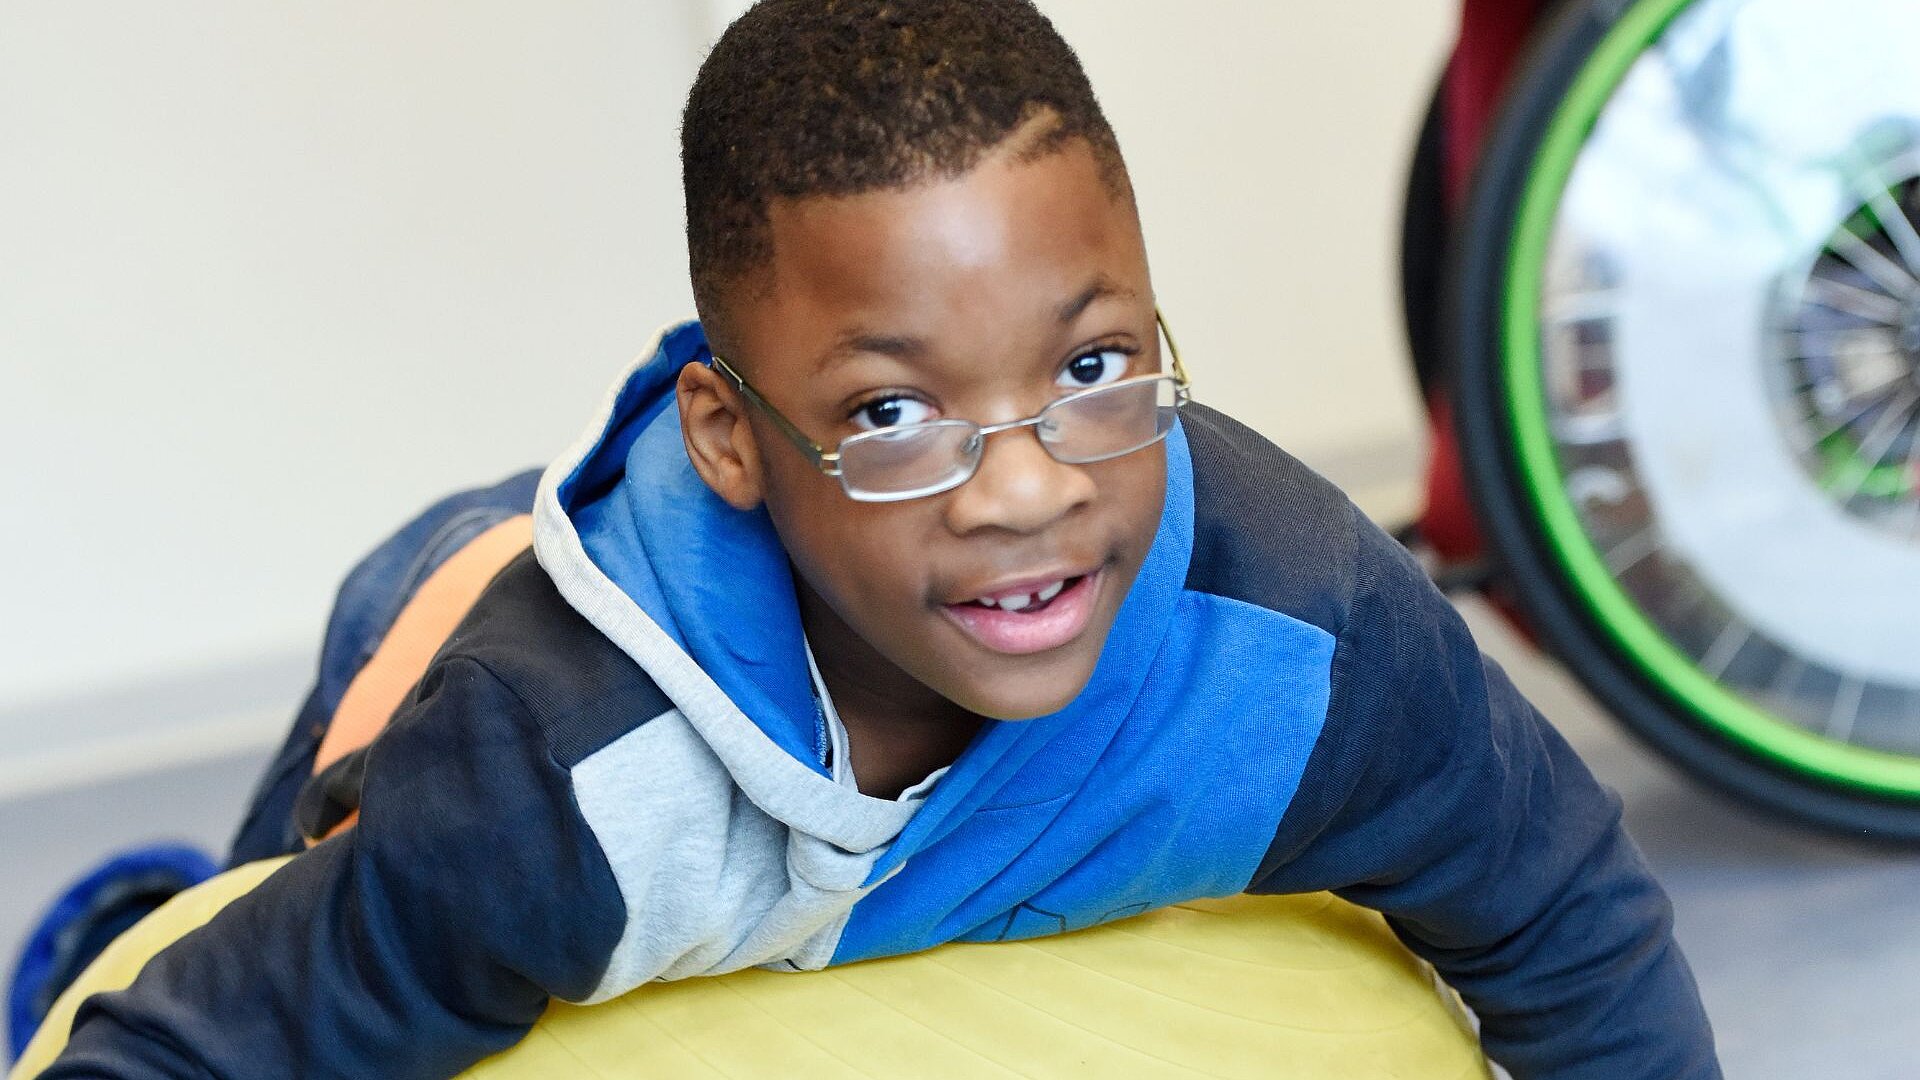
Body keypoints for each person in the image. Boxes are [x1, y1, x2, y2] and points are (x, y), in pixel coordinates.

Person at [38, 1, 1721, 1077]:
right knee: (275, 923)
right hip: (456, 612)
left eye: (1090, 366)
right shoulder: (550, 782)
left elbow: (1568, 921)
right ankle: (119, 895)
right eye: (892, 414)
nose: (1027, 489)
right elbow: (186, 1054)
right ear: (733, 437)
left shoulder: (1307, 638)